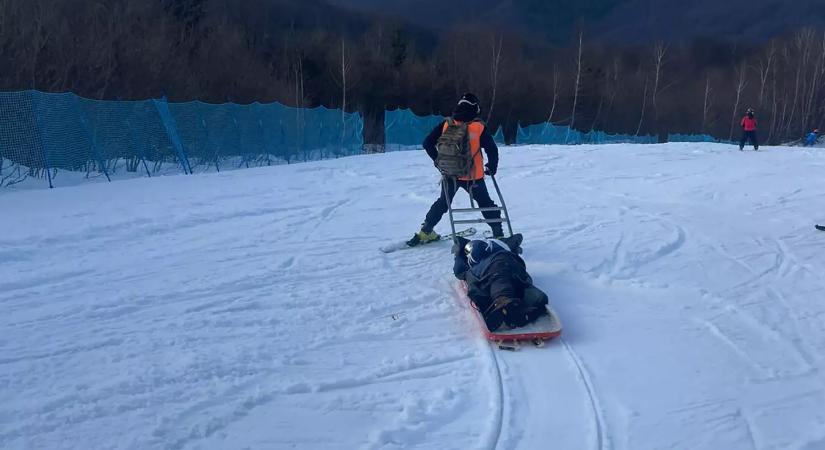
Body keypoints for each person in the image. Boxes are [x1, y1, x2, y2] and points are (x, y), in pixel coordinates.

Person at [407, 93, 502, 246]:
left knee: (443, 202)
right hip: (473, 176)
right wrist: (492, 167)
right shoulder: (478, 127)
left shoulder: (447, 124)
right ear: (475, 108)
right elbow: (492, 149)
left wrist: (439, 162)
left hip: (450, 174)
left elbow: (427, 143)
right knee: (485, 202)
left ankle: (425, 231)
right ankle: (498, 232)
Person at [452, 234, 548, 331]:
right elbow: (516, 238)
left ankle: (502, 301)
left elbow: (459, 271)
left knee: (497, 277)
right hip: (515, 263)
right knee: (517, 282)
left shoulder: (472, 248)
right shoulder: (500, 244)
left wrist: (459, 250)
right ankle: (534, 302)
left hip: (493, 266)